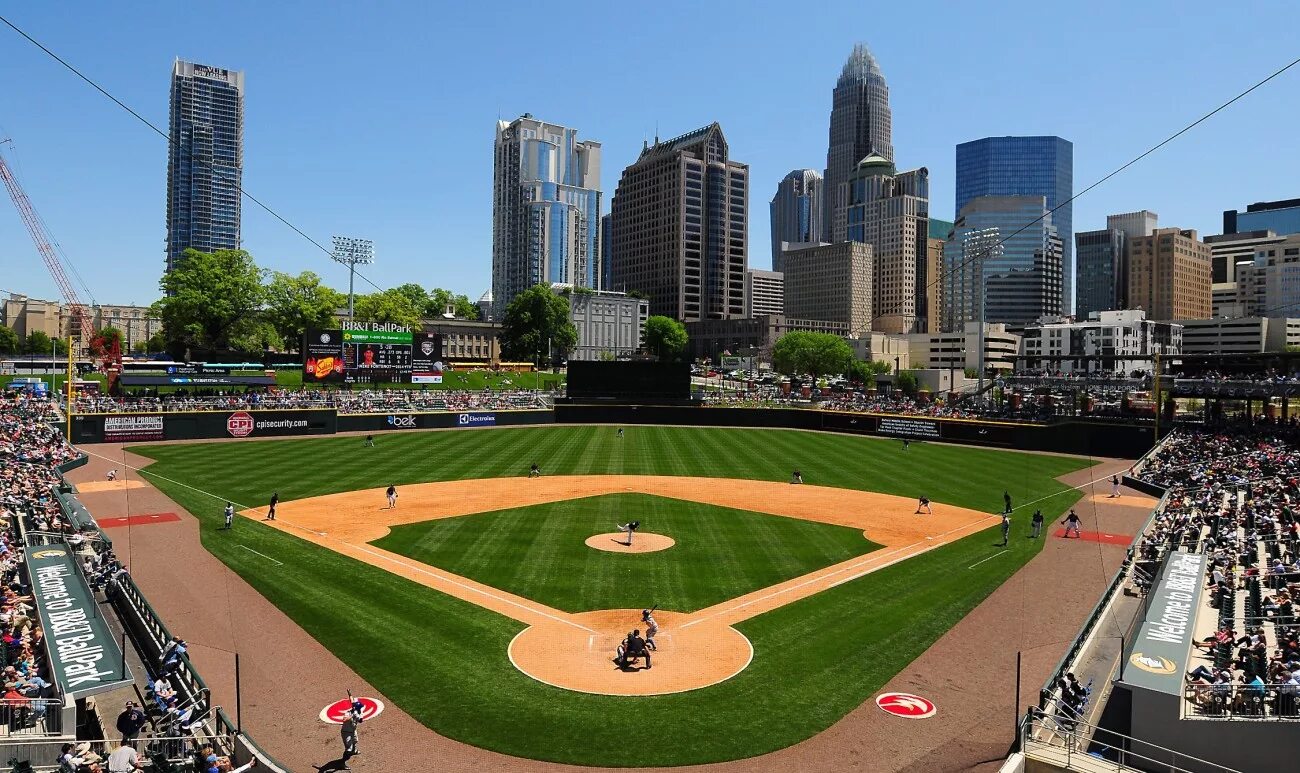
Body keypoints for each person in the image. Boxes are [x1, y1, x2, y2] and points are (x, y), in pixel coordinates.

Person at [341, 701, 362, 769]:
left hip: (353, 730)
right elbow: (344, 720)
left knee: (355, 741)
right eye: (359, 708)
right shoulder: (348, 713)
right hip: (346, 733)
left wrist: (357, 716)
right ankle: (342, 763)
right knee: (348, 749)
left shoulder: (357, 712)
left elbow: (360, 720)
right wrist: (352, 716)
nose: (360, 709)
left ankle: (354, 751)